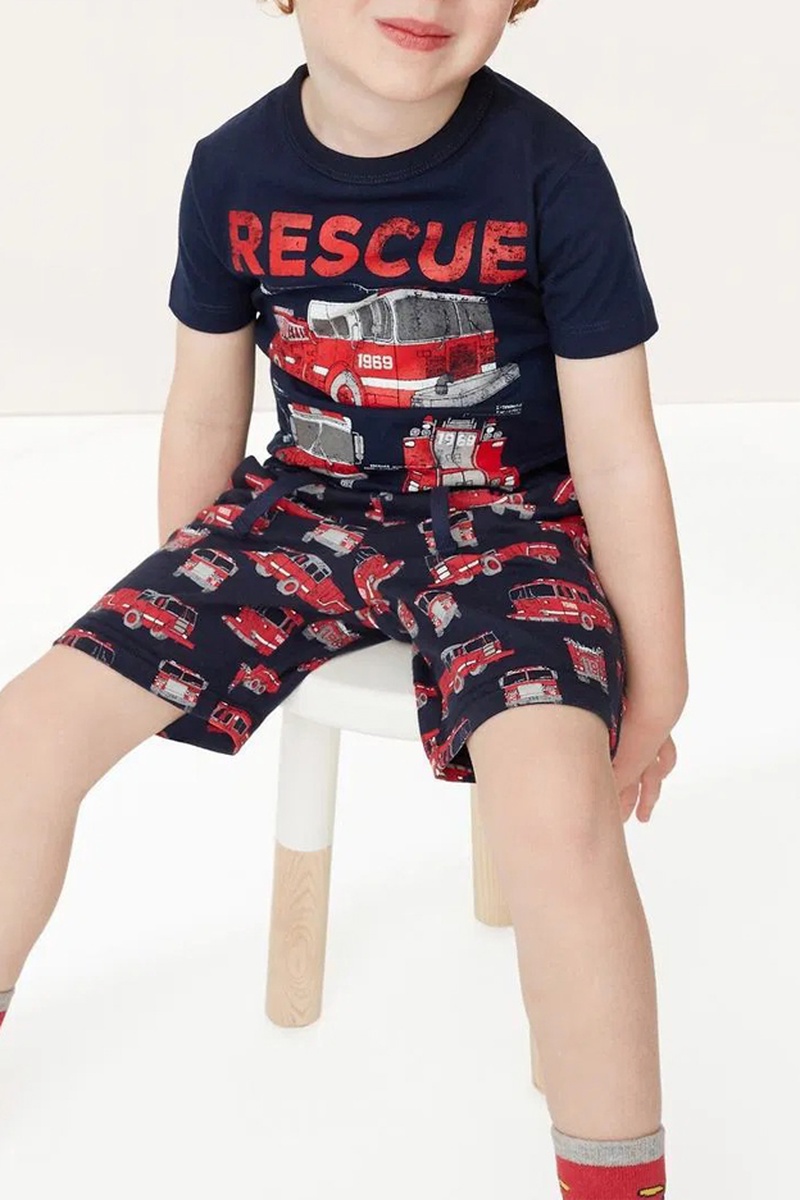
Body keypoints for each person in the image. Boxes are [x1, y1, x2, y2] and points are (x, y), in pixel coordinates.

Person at [0, 0, 688, 1194]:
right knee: (23, 736)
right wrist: (185, 605)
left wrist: (659, 683)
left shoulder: (552, 171)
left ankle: (612, 1173)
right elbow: (205, 402)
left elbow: (617, 450)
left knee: (557, 812)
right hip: (294, 513)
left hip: (511, 527)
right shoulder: (231, 168)